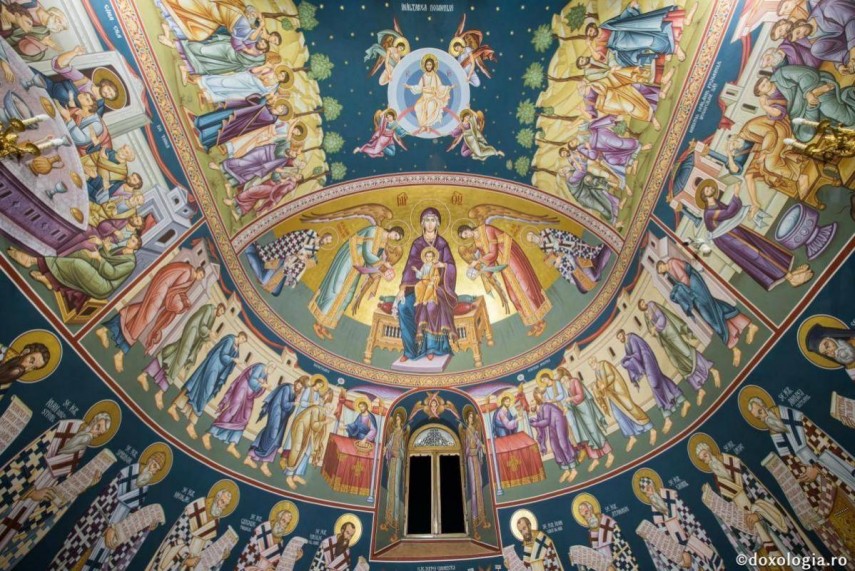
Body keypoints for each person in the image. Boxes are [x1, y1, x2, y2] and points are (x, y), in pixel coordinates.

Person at [744, 391, 855, 558]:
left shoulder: (795, 418)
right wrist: (809, 491)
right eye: (758, 417)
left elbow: (824, 443)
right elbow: (792, 464)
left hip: (834, 473)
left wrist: (817, 468)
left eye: (760, 412)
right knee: (843, 527)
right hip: (820, 488)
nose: (762, 417)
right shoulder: (775, 432)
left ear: (765, 405)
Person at [49, 447, 169, 571]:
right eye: (155, 466)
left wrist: (146, 526)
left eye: (157, 470)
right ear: (150, 461)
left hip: (112, 537)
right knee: (72, 557)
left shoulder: (144, 490)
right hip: (95, 525)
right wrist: (109, 527)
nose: (154, 471)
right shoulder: (125, 474)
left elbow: (132, 518)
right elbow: (104, 500)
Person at [697, 182, 813, 290]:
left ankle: (786, 269)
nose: (710, 188)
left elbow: (729, 213)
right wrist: (736, 194)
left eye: (709, 187)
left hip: (733, 231)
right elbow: (728, 213)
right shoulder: (709, 212)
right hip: (727, 239)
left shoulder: (716, 203)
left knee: (761, 246)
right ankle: (789, 277)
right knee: (754, 253)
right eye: (707, 190)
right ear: (705, 197)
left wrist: (745, 210)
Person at [97, 262, 202, 372]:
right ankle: (120, 353)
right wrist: (181, 304)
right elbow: (174, 291)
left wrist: (185, 300)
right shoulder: (188, 273)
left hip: (161, 288)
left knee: (140, 310)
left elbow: (178, 290)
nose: (200, 278)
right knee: (145, 319)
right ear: (198, 271)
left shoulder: (190, 274)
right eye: (201, 276)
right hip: (161, 290)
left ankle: (104, 330)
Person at [656, 256, 757, 367]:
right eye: (660, 271)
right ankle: (749, 326)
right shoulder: (670, 271)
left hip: (695, 286)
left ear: (662, 264)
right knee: (715, 307)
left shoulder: (672, 263)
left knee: (710, 317)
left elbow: (684, 278)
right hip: (693, 288)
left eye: (660, 268)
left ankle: (733, 347)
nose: (661, 270)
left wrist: (681, 292)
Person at [459, 222, 550, 337]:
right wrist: (485, 272)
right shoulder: (477, 241)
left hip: (511, 255)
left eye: (466, 233)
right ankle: (534, 322)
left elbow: (493, 253)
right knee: (514, 295)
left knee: (524, 287)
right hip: (503, 264)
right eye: (465, 236)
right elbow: (489, 259)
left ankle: (541, 321)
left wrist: (477, 262)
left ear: (468, 228)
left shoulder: (486, 229)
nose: (467, 235)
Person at [7, 235, 140, 312]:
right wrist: (104, 248)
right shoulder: (121, 249)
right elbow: (106, 259)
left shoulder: (130, 263)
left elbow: (112, 274)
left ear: (136, 248)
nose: (130, 240)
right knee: (82, 253)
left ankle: (33, 261)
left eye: (133, 241)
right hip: (102, 273)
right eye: (131, 238)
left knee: (78, 265)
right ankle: (50, 279)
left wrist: (99, 257)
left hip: (104, 286)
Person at [394, 208, 457, 362]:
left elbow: (452, 266)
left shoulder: (442, 244)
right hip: (418, 286)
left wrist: (443, 265)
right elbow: (410, 267)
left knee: (430, 305)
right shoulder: (417, 244)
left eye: (433, 220)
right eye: (427, 220)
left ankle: (432, 348)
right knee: (403, 307)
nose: (430, 224)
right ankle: (410, 350)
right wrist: (402, 289)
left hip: (438, 287)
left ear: (437, 223)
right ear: (422, 223)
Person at [139, 303, 226, 410]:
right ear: (219, 307)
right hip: (191, 334)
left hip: (192, 337)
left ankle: (145, 374)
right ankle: (160, 392)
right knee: (179, 362)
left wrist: (208, 338)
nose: (220, 313)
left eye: (222, 313)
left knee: (171, 353)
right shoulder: (209, 309)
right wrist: (210, 333)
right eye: (221, 311)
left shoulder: (212, 316)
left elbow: (203, 331)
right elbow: (202, 326)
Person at [640, 298, 720, 405]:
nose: (643, 304)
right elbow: (651, 330)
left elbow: (662, 318)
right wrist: (653, 330)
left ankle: (712, 369)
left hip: (669, 331)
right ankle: (699, 388)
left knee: (686, 352)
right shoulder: (646, 316)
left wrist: (655, 327)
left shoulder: (651, 304)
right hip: (665, 340)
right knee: (678, 362)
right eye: (641, 305)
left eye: (642, 302)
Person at [167, 332, 246, 440]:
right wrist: (233, 359)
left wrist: (234, 360)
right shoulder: (229, 340)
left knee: (198, 389)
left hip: (217, 371)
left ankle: (179, 411)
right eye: (242, 338)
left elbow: (229, 365)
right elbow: (223, 356)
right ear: (239, 335)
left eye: (244, 341)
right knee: (203, 391)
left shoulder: (237, 349)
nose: (242, 341)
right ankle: (189, 422)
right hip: (213, 366)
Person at [618, 329, 690, 434]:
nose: (620, 338)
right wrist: (627, 360)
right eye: (619, 338)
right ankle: (679, 404)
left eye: (620, 336)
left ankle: (668, 415)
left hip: (647, 358)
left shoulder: (632, 338)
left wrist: (626, 359)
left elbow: (637, 355)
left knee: (654, 384)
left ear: (623, 333)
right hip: (644, 362)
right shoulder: (626, 344)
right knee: (660, 381)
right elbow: (633, 357)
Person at [203, 362, 269, 458]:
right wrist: (261, 385)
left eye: (274, 368)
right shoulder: (260, 367)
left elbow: (258, 390)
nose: (273, 369)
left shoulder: (266, 375)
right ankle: (208, 434)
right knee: (232, 411)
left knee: (245, 418)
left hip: (249, 396)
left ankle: (232, 445)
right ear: (269, 365)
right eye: (272, 367)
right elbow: (252, 381)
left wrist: (262, 385)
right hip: (242, 389)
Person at [590, 356, 655, 451]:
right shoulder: (596, 372)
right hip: (611, 395)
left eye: (592, 363)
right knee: (618, 416)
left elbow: (611, 376)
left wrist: (604, 384)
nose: (591, 365)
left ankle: (651, 429)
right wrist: (596, 387)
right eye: (590, 364)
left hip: (618, 391)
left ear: (595, 360)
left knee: (631, 408)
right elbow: (600, 383)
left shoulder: (604, 364)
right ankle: (631, 436)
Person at [245, 376, 300, 477]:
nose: (300, 387)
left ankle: (264, 464)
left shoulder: (294, 392)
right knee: (271, 435)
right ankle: (250, 457)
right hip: (276, 414)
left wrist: (295, 401)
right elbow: (284, 404)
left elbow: (288, 409)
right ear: (297, 382)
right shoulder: (287, 388)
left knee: (276, 439)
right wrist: (294, 403)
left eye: (302, 387)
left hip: (282, 418)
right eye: (300, 385)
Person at [406, 54, 452, 136]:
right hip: (424, 97)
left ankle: (428, 126)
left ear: (433, 65)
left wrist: (448, 87)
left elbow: (440, 87)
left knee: (430, 106)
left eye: (430, 64)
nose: (429, 66)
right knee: (417, 107)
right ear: (425, 66)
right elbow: (419, 87)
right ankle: (423, 126)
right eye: (427, 64)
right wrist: (409, 86)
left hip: (433, 97)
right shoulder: (423, 76)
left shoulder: (435, 76)